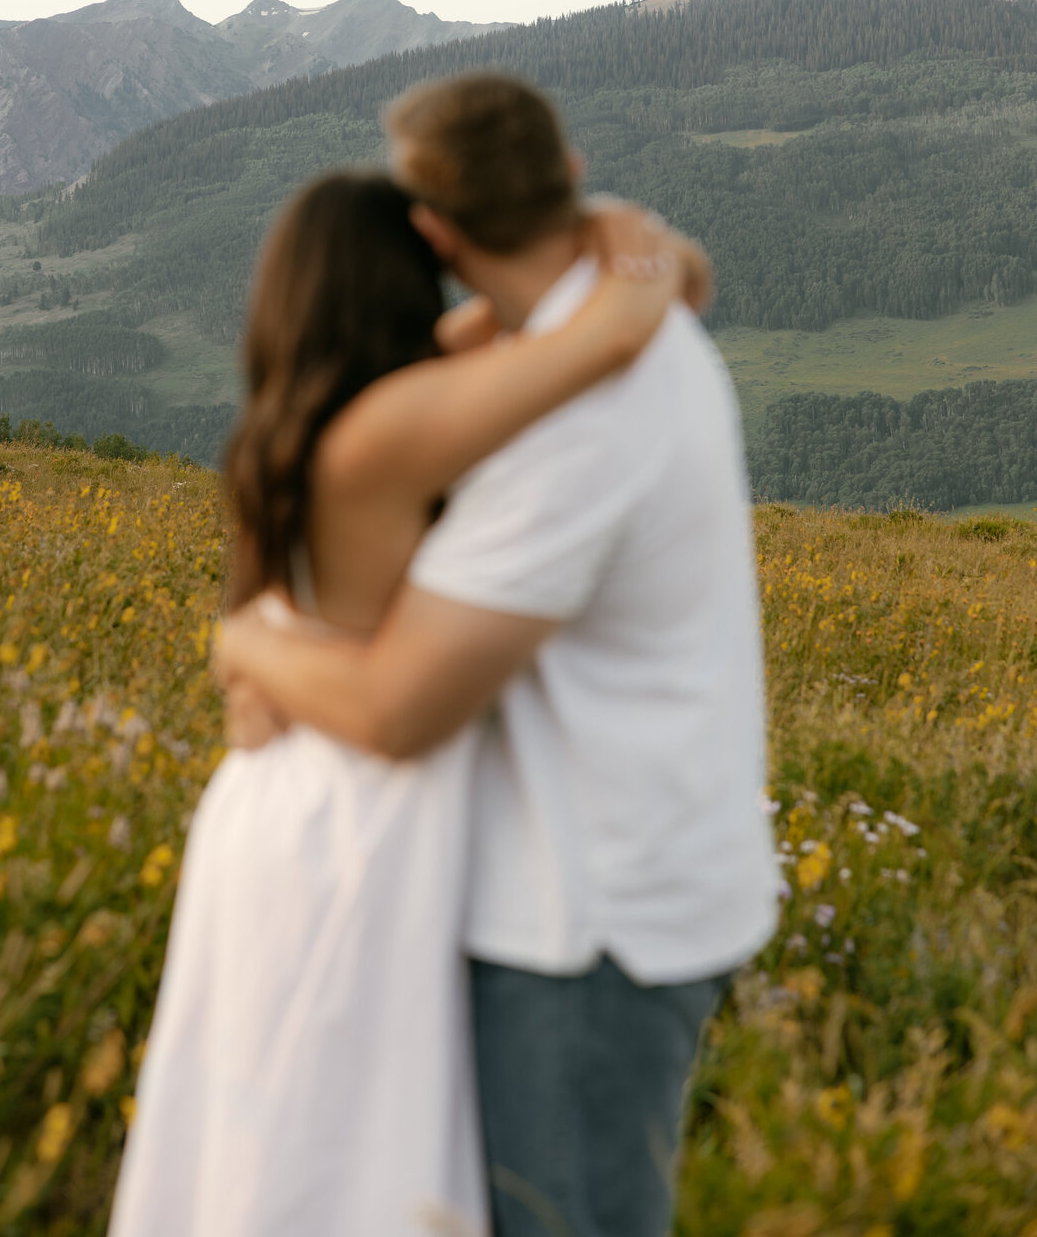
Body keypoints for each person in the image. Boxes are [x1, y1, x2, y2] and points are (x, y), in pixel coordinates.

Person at [215, 73, 781, 1237]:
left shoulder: (566, 417)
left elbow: (399, 707)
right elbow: (631, 290)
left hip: (590, 912)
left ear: (440, 231)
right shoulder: (582, 341)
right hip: (594, 873)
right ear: (567, 177)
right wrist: (641, 258)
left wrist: (244, 645)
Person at [108, 165, 703, 1237]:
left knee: (259, 1127)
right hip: (362, 815)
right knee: (353, 1144)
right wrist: (590, 221)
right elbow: (623, 325)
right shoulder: (402, 423)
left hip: (269, 804)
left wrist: (243, 644)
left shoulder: (299, 415)